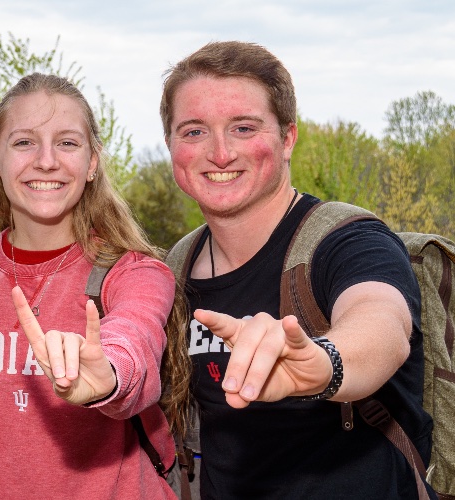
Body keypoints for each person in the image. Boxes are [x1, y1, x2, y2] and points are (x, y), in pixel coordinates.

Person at [160, 41, 433, 498]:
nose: (220, 153)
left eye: (244, 128)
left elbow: (382, 321)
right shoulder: (175, 267)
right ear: (170, 146)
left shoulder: (348, 240)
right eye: (193, 132)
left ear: (287, 138)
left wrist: (325, 363)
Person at [0, 73, 187, 499]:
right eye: (23, 143)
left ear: (92, 162)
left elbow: (135, 336)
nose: (47, 161)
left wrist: (109, 376)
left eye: (68, 143)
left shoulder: (135, 272)